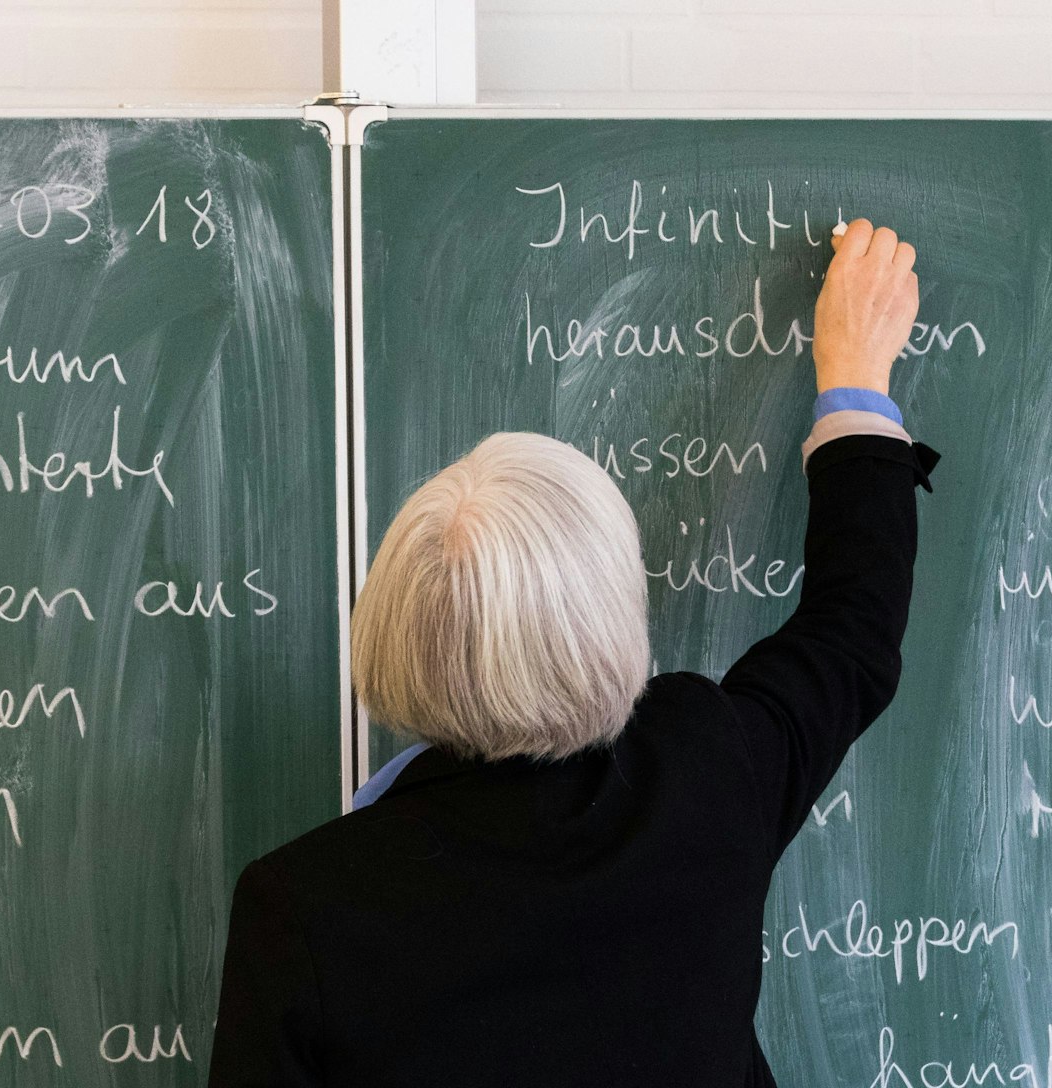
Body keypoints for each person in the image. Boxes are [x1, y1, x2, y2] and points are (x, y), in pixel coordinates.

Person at [207, 218, 938, 1086]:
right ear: (614, 623)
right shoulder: (702, 774)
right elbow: (852, 632)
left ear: (391, 632)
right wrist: (855, 380)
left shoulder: (301, 908)